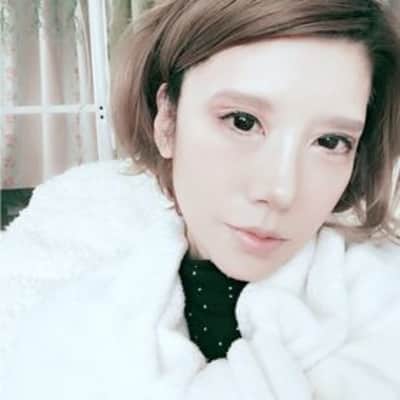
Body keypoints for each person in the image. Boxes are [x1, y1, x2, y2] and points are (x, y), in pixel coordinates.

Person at [1, 0, 400, 398]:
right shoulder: (65, 337)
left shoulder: (385, 315)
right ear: (167, 121)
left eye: (330, 142)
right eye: (243, 122)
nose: (281, 190)